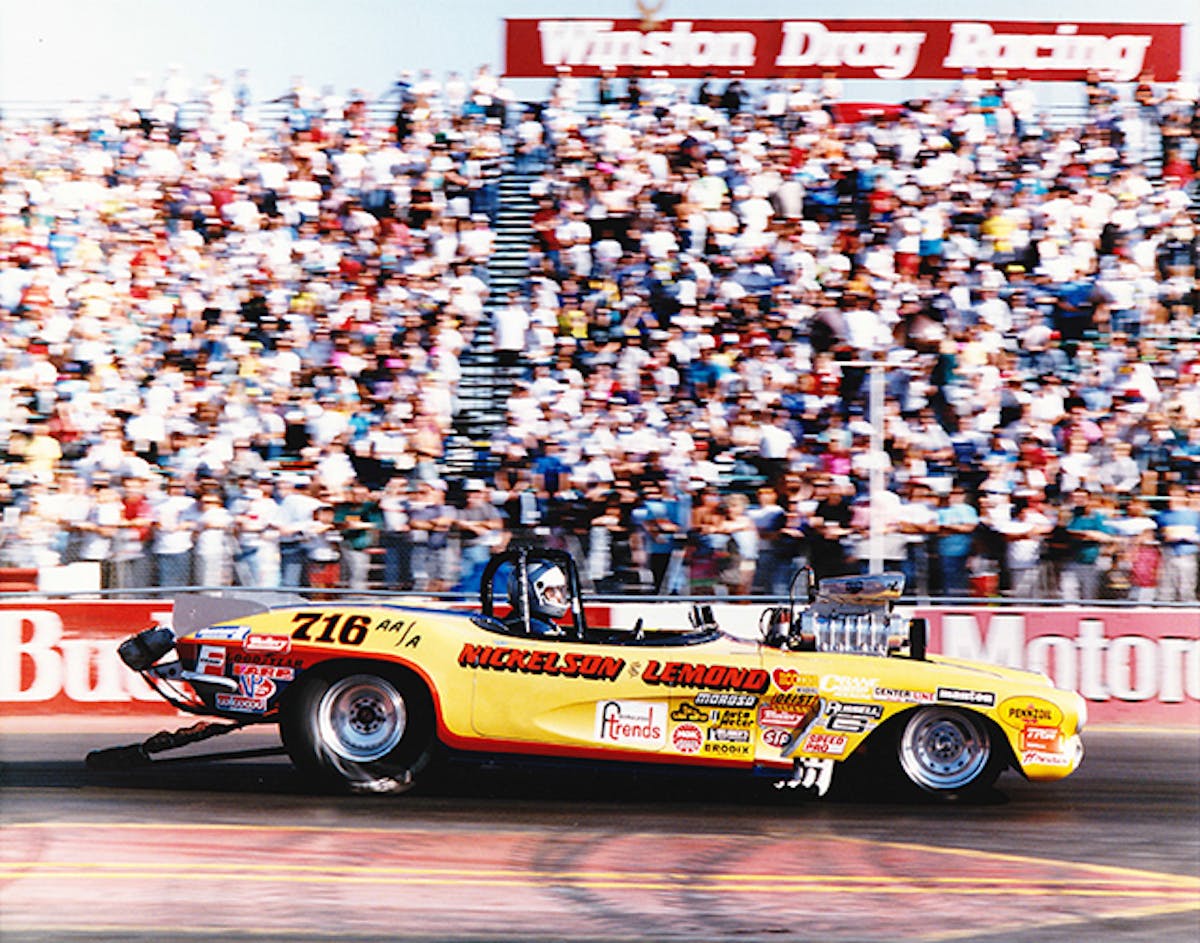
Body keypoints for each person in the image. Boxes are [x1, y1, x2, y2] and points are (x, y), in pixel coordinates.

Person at [506, 559, 569, 637]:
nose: (559, 596)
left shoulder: (544, 622)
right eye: (551, 591)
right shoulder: (535, 628)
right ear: (531, 592)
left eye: (560, 589)